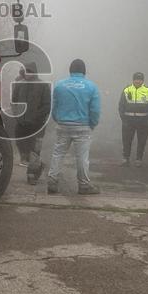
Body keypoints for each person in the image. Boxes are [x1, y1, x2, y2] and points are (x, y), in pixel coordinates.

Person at [46, 59, 101, 195]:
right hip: (83, 127)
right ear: (84, 71)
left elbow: (54, 106)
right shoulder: (91, 86)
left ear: (70, 70)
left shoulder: (60, 85)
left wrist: (58, 119)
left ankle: (52, 181)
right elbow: (95, 110)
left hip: (63, 125)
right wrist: (92, 124)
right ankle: (84, 186)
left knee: (58, 153)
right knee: (82, 157)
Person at [10, 63, 51, 183]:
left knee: (34, 150)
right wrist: (18, 116)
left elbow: (47, 106)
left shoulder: (43, 86)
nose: (28, 73)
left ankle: (31, 175)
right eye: (26, 71)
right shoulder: (19, 85)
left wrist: (35, 118)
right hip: (21, 125)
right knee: (23, 150)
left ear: (34, 72)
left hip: (37, 125)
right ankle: (38, 165)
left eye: (30, 71)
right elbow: (14, 101)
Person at [119, 71, 148, 167]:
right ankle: (125, 158)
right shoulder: (126, 90)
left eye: (139, 80)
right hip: (128, 119)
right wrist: (123, 117)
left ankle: (138, 159)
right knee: (127, 140)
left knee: (142, 141)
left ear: (142, 81)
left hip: (143, 120)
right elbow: (121, 105)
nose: (137, 81)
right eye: (136, 79)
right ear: (133, 80)